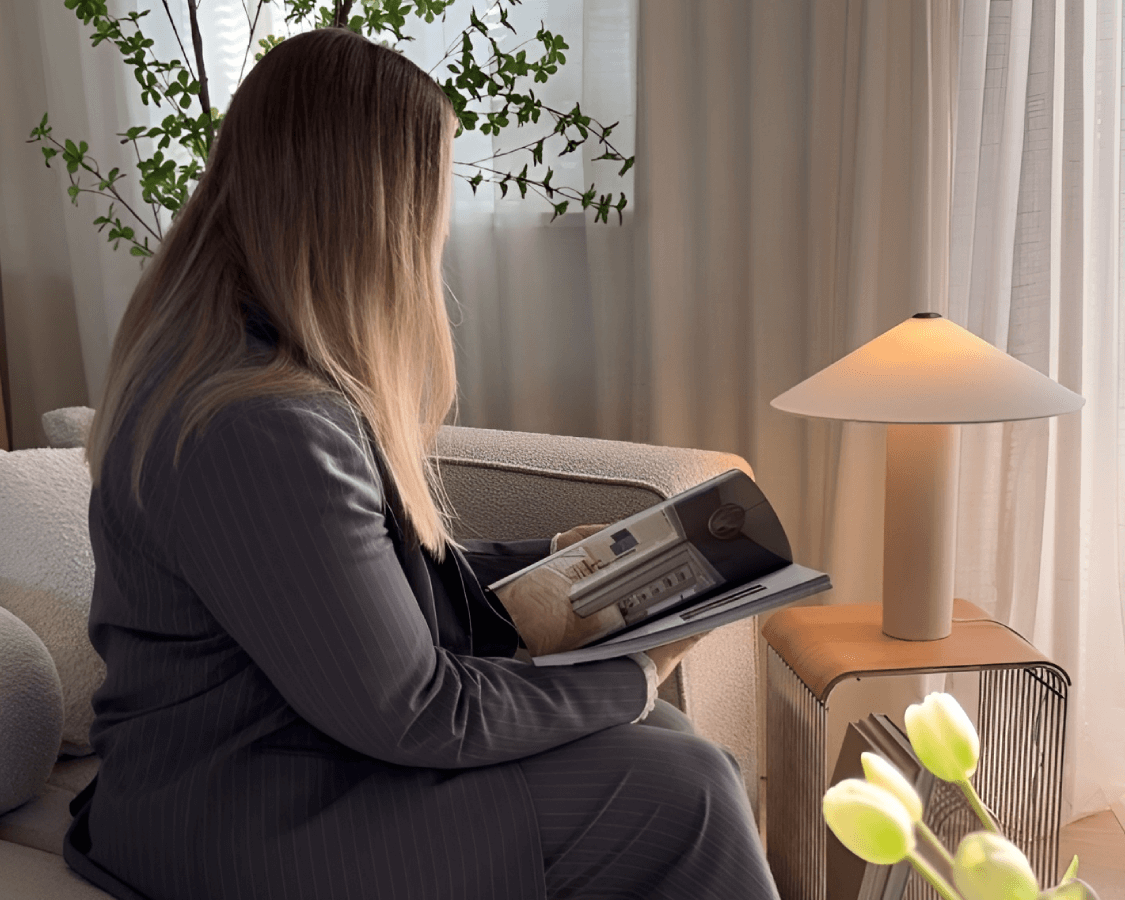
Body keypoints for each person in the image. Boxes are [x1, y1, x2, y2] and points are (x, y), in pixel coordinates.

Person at [66, 27, 781, 900]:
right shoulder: (258, 426)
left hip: (270, 763)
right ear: (372, 212)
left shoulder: (246, 371)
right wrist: (634, 671)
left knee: (671, 747)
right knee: (686, 792)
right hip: (241, 809)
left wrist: (562, 560)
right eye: (434, 196)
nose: (438, 231)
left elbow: (344, 586)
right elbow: (416, 711)